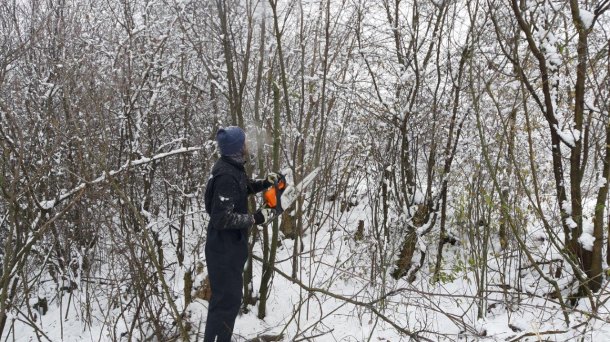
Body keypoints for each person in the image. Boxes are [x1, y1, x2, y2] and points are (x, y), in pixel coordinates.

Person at [203, 126, 278, 342]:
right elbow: (221, 218)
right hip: (223, 249)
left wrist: (265, 183)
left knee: (229, 301)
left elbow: (242, 188)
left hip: (230, 248)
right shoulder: (225, 175)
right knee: (225, 303)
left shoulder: (232, 166)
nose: (247, 145)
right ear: (237, 147)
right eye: (244, 142)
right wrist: (254, 218)